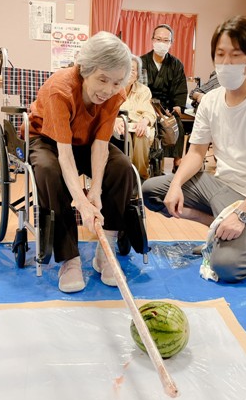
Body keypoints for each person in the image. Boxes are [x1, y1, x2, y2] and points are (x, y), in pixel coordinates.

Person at [142, 15, 246, 283]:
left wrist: (242, 214)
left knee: (228, 268)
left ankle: (237, 240)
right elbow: (197, 152)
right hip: (220, 188)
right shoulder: (211, 100)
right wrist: (177, 183)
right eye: (220, 54)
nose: (226, 63)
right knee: (152, 191)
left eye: (236, 55)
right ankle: (218, 230)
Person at [26, 31, 135, 293]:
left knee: (121, 168)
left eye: (116, 82)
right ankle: (70, 260)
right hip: (48, 140)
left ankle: (104, 250)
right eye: (102, 79)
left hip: (85, 141)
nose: (108, 90)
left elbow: (100, 145)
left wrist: (95, 188)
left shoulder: (114, 94)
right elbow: (64, 155)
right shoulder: (60, 89)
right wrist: (83, 203)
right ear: (85, 70)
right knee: (49, 172)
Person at [141, 24, 188, 173]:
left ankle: (177, 162)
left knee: (177, 124)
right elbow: (139, 89)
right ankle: (148, 163)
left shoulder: (176, 64)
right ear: (152, 40)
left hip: (167, 108)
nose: (161, 43)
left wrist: (178, 106)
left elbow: (180, 89)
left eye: (165, 40)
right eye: (158, 39)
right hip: (146, 105)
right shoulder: (141, 62)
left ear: (171, 43)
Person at [112, 55, 156, 181]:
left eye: (133, 70)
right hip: (117, 125)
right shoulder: (112, 88)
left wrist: (144, 121)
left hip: (138, 125)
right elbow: (104, 111)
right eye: (127, 68)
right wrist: (113, 120)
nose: (130, 72)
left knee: (140, 135)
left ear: (137, 74)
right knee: (124, 136)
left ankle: (140, 176)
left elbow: (149, 111)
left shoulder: (144, 90)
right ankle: (126, 175)